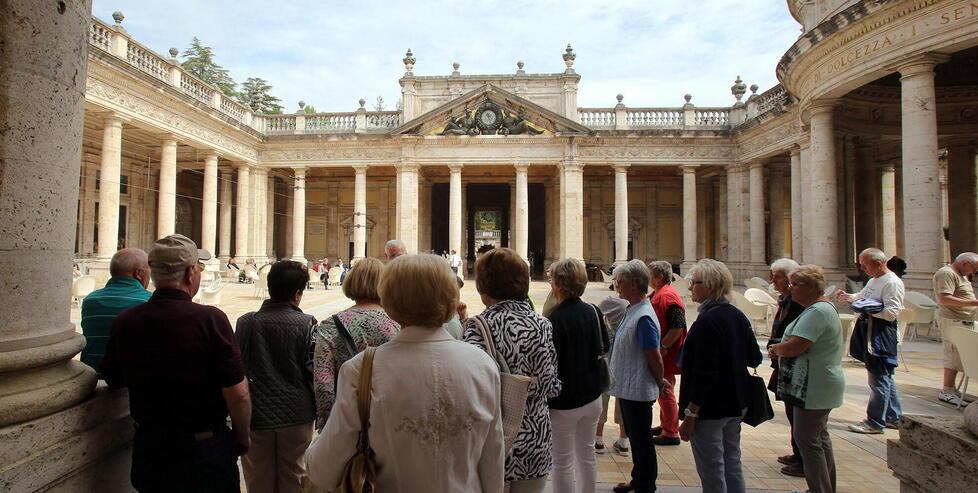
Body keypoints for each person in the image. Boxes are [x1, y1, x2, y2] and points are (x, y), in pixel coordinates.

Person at [305, 254, 504, 492]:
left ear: (388, 300)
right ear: (452, 299)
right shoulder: (482, 364)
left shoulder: (362, 369)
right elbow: (493, 458)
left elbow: (323, 468)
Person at [101, 234, 250, 492]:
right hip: (203, 452)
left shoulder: (125, 321)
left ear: (152, 274)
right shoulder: (211, 319)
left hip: (150, 451)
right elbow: (238, 394)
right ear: (191, 273)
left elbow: (113, 377)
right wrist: (242, 433)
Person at [462, 247, 561, 493]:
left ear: (484, 288)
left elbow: (469, 389)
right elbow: (550, 386)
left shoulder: (477, 327)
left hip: (491, 442)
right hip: (535, 439)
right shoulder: (543, 326)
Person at [679, 258, 762, 493]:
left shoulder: (707, 321)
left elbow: (705, 373)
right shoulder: (737, 315)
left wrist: (691, 412)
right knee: (732, 462)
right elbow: (754, 357)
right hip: (737, 402)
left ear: (710, 285)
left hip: (710, 407)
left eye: (694, 282)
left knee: (712, 469)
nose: (690, 287)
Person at [235, 261, 317, 493]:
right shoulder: (307, 322)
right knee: (294, 477)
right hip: (296, 413)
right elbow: (312, 371)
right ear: (298, 294)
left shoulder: (245, 322)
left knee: (257, 479)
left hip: (255, 412)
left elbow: (237, 369)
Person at [769, 265, 845, 493]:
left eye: (795, 285)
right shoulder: (815, 309)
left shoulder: (818, 312)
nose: (790, 289)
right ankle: (824, 488)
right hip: (816, 383)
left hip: (813, 386)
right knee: (818, 440)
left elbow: (797, 346)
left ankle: (819, 489)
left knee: (808, 441)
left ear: (811, 287)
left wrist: (776, 349)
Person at [311, 257, 399, 429]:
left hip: (346, 417)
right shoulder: (397, 324)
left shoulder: (330, 325)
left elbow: (323, 382)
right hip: (389, 419)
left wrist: (329, 425)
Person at [546, 258, 610, 493]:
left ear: (559, 285)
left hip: (565, 401)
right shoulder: (593, 310)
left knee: (562, 461)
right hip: (592, 395)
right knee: (587, 453)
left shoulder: (553, 320)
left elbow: (549, 363)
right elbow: (605, 346)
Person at [608, 259, 664, 493]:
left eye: (619, 282)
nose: (616, 286)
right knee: (637, 437)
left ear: (633, 284)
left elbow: (654, 356)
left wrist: (660, 381)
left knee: (642, 440)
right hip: (629, 386)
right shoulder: (634, 310)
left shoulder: (643, 317)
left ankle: (645, 485)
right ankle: (638, 478)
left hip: (638, 388)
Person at [835, 248, 905, 434]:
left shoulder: (892, 283)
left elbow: (891, 313)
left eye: (865, 265)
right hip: (869, 330)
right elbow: (862, 297)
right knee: (885, 378)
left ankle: (874, 422)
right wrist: (849, 298)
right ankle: (893, 417)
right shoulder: (875, 279)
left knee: (878, 379)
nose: (862, 268)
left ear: (879, 263)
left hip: (880, 335)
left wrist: (867, 308)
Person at [80, 248, 152, 377]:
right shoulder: (149, 301)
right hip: (128, 379)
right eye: (149, 271)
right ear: (139, 273)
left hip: (91, 374)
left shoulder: (90, 300)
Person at [765, 258, 806, 477]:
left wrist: (778, 346)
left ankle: (803, 458)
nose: (773, 280)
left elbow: (798, 336)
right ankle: (797, 451)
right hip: (784, 362)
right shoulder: (787, 300)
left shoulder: (799, 303)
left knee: (799, 413)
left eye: (777, 276)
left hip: (796, 365)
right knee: (792, 411)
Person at [647, 260, 686, 447]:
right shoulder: (659, 293)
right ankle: (665, 425)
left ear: (659, 277)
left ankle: (671, 432)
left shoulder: (668, 296)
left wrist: (663, 347)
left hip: (666, 353)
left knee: (665, 389)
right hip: (663, 350)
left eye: (650, 274)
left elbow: (677, 327)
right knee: (663, 389)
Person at [933, 252, 978, 406]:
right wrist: (975, 303)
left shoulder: (960, 274)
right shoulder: (946, 273)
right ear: (966, 264)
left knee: (959, 355)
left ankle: (952, 389)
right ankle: (946, 391)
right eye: (974, 268)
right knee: (952, 354)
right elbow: (944, 298)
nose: (973, 272)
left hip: (963, 320)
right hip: (952, 320)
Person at [595, 296, 629, 456]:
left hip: (608, 361)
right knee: (622, 400)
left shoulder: (609, 301)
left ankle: (598, 439)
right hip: (624, 362)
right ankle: (623, 441)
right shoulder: (630, 306)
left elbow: (596, 312)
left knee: (603, 397)